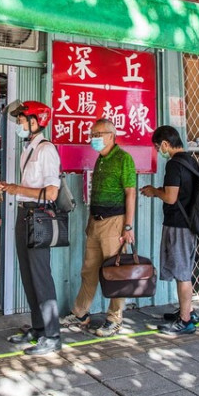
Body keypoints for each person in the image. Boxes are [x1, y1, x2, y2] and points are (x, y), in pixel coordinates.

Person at [0, 100, 62, 355]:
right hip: (25, 215)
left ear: (36, 122)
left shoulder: (46, 150)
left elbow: (52, 192)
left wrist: (16, 189)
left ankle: (52, 335)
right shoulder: (29, 150)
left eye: (23, 120)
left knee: (41, 276)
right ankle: (38, 328)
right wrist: (13, 188)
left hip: (39, 217)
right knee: (28, 275)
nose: (20, 124)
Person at [60, 119, 136, 337]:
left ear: (111, 135)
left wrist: (128, 226)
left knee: (115, 272)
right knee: (89, 269)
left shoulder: (124, 159)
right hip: (95, 222)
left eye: (98, 134)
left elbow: (130, 193)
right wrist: (90, 222)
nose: (93, 138)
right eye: (92, 134)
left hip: (115, 223)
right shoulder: (100, 159)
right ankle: (81, 313)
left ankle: (114, 319)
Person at [140, 125, 199, 335]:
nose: (159, 151)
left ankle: (185, 321)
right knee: (183, 270)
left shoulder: (174, 165)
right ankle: (187, 311)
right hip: (188, 224)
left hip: (178, 225)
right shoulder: (191, 161)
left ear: (166, 143)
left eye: (158, 147)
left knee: (182, 273)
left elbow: (171, 197)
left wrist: (154, 191)